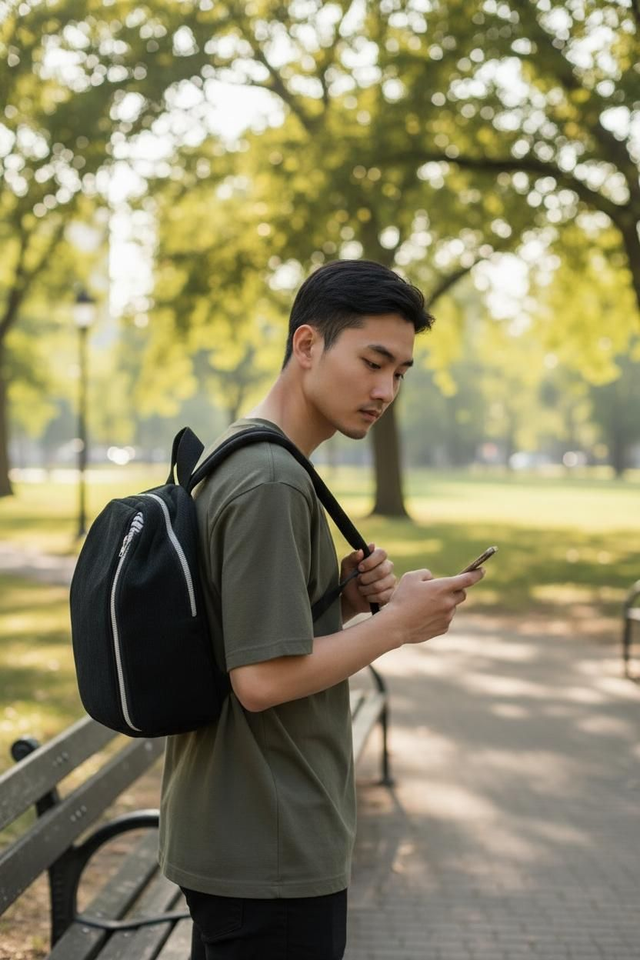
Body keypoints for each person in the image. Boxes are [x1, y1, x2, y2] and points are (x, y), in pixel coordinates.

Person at [158, 259, 484, 960]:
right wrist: (394, 625)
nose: (385, 389)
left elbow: (243, 635)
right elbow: (262, 680)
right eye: (373, 362)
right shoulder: (271, 480)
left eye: (401, 372)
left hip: (244, 832)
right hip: (269, 846)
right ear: (307, 346)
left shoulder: (248, 456)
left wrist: (344, 598)